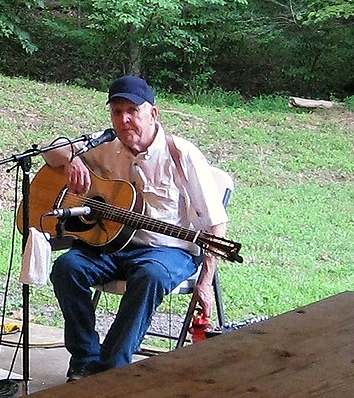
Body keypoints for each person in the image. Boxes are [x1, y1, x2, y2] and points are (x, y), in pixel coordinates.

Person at [42, 74, 228, 381]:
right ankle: (85, 358)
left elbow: (216, 222)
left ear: (153, 113)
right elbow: (50, 150)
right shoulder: (106, 148)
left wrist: (206, 281)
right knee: (67, 267)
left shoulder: (181, 154)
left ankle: (110, 368)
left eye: (132, 111)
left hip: (169, 251)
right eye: (117, 112)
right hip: (113, 245)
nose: (124, 120)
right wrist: (71, 160)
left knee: (149, 275)